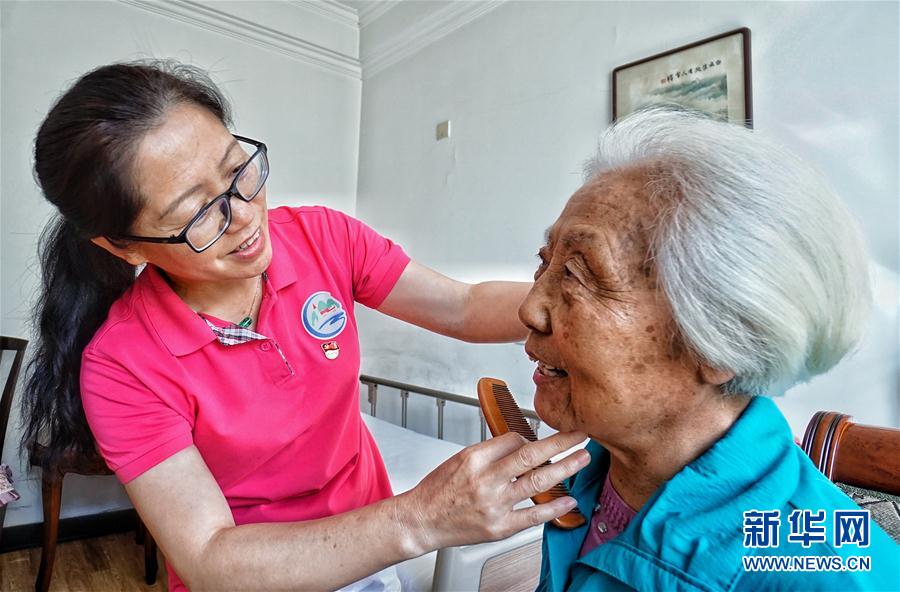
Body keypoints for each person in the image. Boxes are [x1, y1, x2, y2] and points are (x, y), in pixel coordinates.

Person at [21, 60, 589, 591]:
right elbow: (208, 556)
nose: (244, 216)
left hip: (374, 545)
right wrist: (420, 518)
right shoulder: (123, 364)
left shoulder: (322, 238)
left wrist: (580, 309)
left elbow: (462, 308)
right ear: (121, 245)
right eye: (196, 214)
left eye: (237, 170)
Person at [520, 107, 898, 591]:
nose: (529, 308)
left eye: (578, 273)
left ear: (723, 342)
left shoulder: (823, 573)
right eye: (545, 263)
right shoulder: (595, 468)